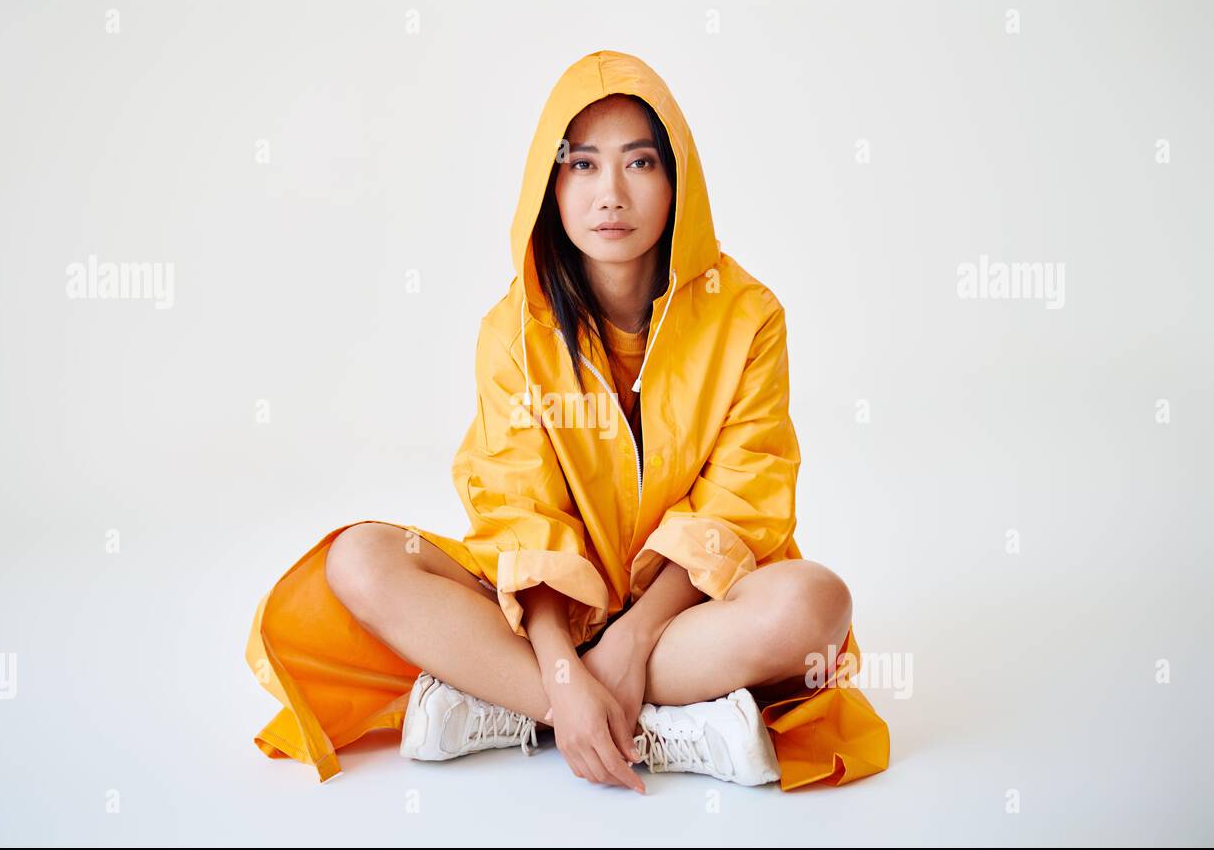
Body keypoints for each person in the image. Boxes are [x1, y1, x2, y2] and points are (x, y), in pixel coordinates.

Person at [244, 50, 890, 793]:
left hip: (685, 617)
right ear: (549, 187)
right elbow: (519, 514)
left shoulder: (750, 318)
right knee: (359, 558)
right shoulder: (510, 333)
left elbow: (743, 501)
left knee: (817, 604)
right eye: (581, 166)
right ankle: (655, 723)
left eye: (639, 163)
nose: (609, 193)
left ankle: (517, 706)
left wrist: (636, 636)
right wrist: (563, 664)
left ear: (678, 179)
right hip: (542, 617)